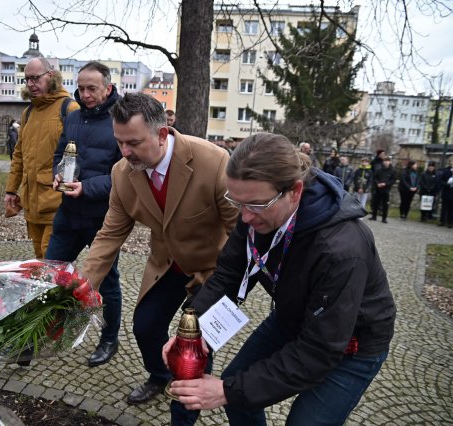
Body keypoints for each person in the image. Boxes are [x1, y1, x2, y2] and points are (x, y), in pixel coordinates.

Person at [164, 132, 396, 425]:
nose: (245, 217)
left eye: (256, 206)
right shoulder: (254, 205)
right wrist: (191, 329)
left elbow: (319, 350)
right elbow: (229, 275)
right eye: (237, 203)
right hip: (293, 316)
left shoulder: (342, 249)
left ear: (295, 192)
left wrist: (225, 391)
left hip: (351, 344)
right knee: (239, 389)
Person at [80, 93, 238, 417]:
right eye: (119, 142)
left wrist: (230, 289)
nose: (124, 152)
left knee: (193, 351)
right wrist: (82, 286)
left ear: (162, 133)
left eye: (133, 143)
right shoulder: (122, 173)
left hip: (214, 270)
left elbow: (241, 233)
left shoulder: (214, 162)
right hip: (168, 266)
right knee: (145, 326)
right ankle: (159, 374)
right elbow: (110, 234)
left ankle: (184, 412)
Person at [45, 61, 123, 368]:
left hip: (101, 219)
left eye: (92, 88)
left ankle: (109, 338)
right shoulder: (74, 117)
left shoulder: (121, 121)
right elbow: (59, 154)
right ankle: (45, 329)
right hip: (67, 214)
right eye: (81, 87)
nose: (86, 94)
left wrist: (86, 188)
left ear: (108, 88)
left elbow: (122, 173)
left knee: (107, 283)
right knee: (51, 273)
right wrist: (56, 175)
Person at [4, 57, 79, 259]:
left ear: (51, 76)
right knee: (40, 262)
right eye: (27, 79)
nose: (30, 84)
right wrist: (11, 189)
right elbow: (19, 154)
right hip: (32, 204)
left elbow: (78, 155)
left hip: (57, 205)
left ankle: (71, 291)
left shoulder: (69, 109)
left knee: (52, 263)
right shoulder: (28, 113)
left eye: (35, 78)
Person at [369, 157, 395, 223]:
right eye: (385, 161)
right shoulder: (379, 170)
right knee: (375, 203)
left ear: (390, 162)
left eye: (387, 161)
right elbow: (375, 178)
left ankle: (384, 218)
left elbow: (392, 180)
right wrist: (378, 183)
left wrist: (386, 184)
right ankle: (374, 216)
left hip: (386, 190)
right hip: (378, 189)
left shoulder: (393, 171)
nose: (386, 162)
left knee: (385, 204)